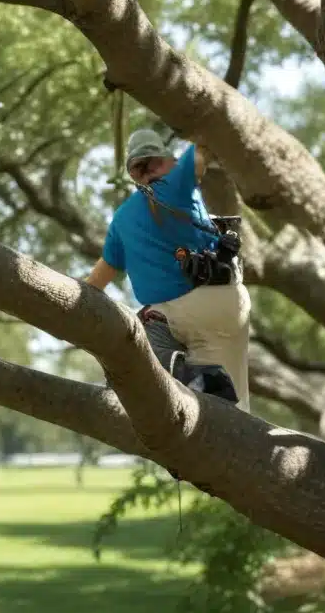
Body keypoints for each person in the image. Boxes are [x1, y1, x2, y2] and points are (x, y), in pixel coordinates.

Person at [84, 128, 251, 410]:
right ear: (166, 161)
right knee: (232, 407)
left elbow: (95, 283)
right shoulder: (177, 182)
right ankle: (196, 380)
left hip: (169, 315)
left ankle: (178, 373)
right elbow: (202, 154)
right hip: (225, 305)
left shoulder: (122, 217)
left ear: (133, 174)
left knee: (137, 336)